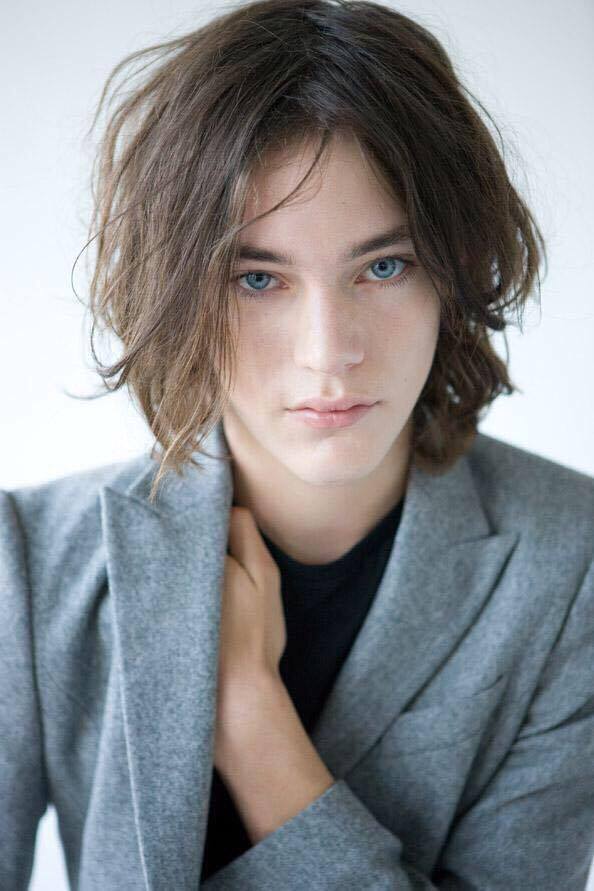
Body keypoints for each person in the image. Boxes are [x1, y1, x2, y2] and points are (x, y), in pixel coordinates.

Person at [1, 0, 593, 888]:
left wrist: (252, 718)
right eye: (257, 278)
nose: (328, 351)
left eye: (383, 266)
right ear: (177, 289)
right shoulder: (33, 563)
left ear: (455, 270)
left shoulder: (571, 562)